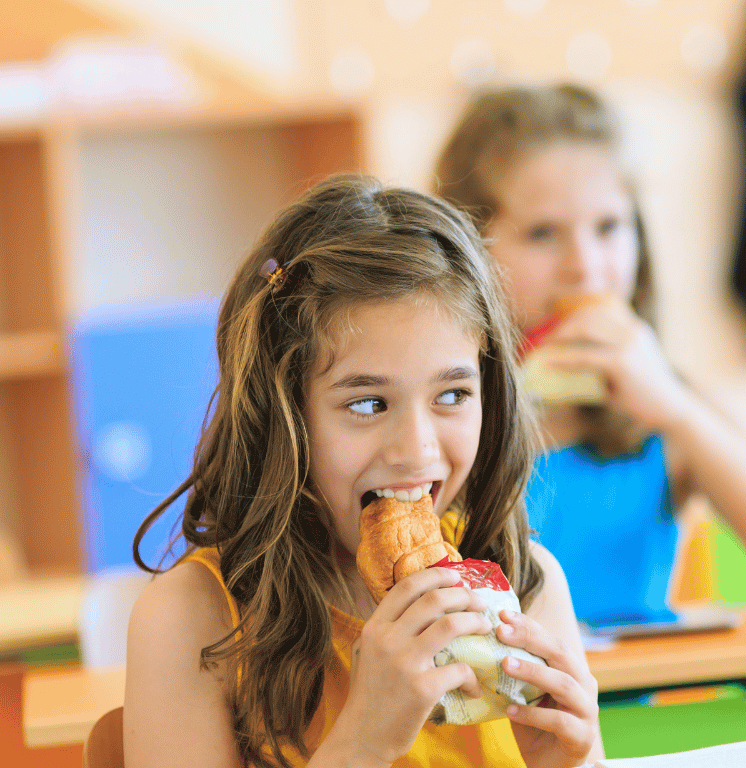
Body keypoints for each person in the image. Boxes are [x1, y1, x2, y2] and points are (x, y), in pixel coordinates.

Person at [124, 176, 601, 768]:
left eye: (452, 394)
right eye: (368, 404)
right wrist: (366, 739)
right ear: (283, 415)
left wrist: (567, 762)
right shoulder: (190, 620)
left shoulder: (530, 585)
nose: (415, 448)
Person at [434, 84, 746, 624]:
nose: (584, 266)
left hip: (640, 705)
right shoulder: (438, 418)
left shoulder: (664, 408)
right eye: (542, 233)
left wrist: (675, 408)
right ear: (467, 246)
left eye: (609, 227)